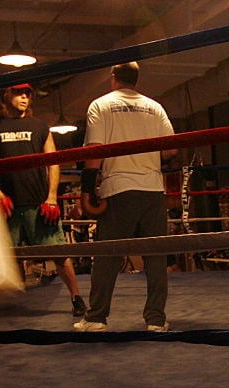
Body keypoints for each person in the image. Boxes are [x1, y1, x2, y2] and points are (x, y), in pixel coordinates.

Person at [74, 61, 176, 332]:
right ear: (137, 79)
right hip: (153, 190)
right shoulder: (155, 107)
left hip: (118, 189)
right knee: (156, 257)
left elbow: (94, 150)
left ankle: (96, 318)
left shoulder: (101, 105)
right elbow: (170, 151)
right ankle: (155, 320)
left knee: (107, 255)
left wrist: (87, 190)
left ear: (113, 78)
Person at [0, 82, 86, 318]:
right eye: (18, 92)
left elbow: (53, 161)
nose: (24, 97)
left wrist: (51, 197)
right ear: (5, 95)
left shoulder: (40, 126)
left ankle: (76, 297)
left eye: (27, 93)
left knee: (59, 253)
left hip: (38, 202)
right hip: (7, 206)